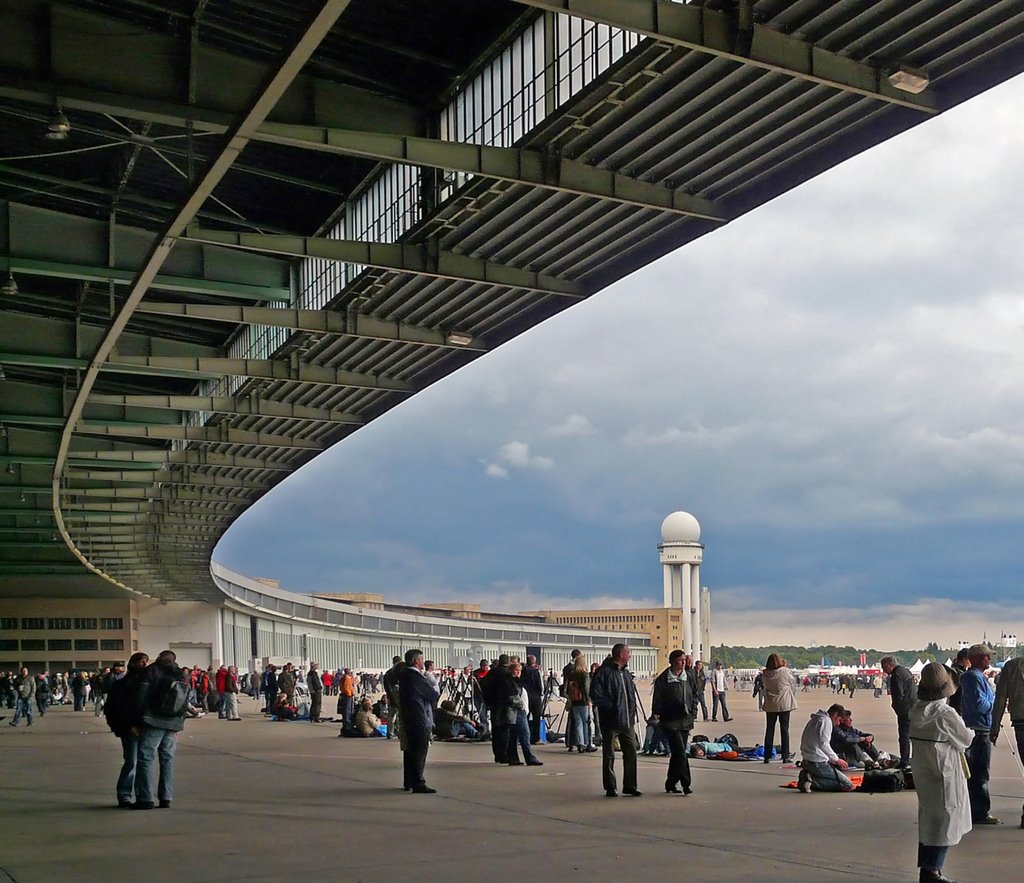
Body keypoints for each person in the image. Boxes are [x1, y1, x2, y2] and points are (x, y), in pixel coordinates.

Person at [910, 662, 975, 883]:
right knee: (946, 819)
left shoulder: (916, 710)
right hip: (944, 771)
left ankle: (926, 868)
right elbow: (965, 739)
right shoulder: (945, 713)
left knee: (929, 819)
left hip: (923, 770)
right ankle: (932, 870)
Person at [134, 649, 189, 809]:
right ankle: (166, 797)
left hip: (153, 720)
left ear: (158, 658)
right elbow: (184, 700)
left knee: (146, 758)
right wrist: (180, 723)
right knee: (167, 759)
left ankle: (146, 798)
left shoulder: (151, 671)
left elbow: (141, 697)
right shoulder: (180, 674)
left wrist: (137, 720)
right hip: (173, 723)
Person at [589, 643, 641, 797]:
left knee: (631, 751)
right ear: (620, 654)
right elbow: (596, 694)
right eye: (628, 652)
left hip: (627, 720)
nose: (630, 655)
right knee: (609, 754)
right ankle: (610, 786)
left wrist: (632, 713)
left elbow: (630, 695)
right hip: (611, 720)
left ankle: (630, 785)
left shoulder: (625, 673)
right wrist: (612, 708)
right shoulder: (604, 672)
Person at [958, 643, 998, 825]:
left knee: (976, 772)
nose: (989, 659)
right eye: (985, 656)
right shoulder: (973, 677)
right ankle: (980, 812)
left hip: (980, 727)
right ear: (975, 658)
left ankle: (975, 809)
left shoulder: (976, 677)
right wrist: (994, 704)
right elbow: (980, 704)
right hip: (979, 729)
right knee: (980, 773)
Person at [104, 652, 149, 808]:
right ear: (133, 663)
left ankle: (141, 795)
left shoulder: (147, 683)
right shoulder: (123, 684)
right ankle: (124, 795)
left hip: (145, 727)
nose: (144, 665)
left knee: (142, 763)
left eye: (146, 662)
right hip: (129, 728)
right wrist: (126, 726)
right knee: (132, 761)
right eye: (141, 662)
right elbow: (115, 707)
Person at [652, 649, 695, 794]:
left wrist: (693, 711)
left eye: (685, 660)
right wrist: (657, 716)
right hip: (670, 721)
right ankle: (686, 784)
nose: (684, 663)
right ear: (673, 661)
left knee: (678, 753)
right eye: (680, 660)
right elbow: (657, 701)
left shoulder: (688, 677)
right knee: (680, 753)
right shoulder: (663, 679)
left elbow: (694, 695)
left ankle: (670, 782)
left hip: (685, 719)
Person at [990, 653, 1024, 828]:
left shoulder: (1011, 667)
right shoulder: (1011, 667)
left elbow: (1001, 698)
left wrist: (995, 726)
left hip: (1020, 722)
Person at [398, 648, 439, 793]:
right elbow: (433, 695)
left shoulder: (404, 676)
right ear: (416, 661)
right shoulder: (415, 677)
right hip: (420, 718)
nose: (423, 662)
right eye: (421, 659)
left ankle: (409, 780)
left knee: (410, 751)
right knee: (419, 752)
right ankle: (418, 782)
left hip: (409, 717)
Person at [796, 703, 853, 793]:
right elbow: (824, 744)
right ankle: (812, 781)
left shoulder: (816, 719)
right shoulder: (826, 721)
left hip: (807, 759)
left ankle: (809, 777)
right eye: (838, 720)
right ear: (835, 715)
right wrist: (836, 760)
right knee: (847, 785)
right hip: (817, 762)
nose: (838, 724)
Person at [761, 653, 797, 763]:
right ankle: (785, 756)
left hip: (770, 704)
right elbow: (792, 681)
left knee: (769, 729)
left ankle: (767, 756)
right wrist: (784, 667)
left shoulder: (765, 674)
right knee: (784, 730)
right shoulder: (784, 671)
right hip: (783, 704)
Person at [881, 656, 916, 770]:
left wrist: (896, 707)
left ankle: (904, 760)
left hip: (905, 709)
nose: (883, 670)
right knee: (913, 736)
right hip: (913, 707)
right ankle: (913, 759)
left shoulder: (896, 676)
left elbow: (898, 695)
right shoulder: (906, 671)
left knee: (904, 737)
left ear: (890, 665)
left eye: (884, 667)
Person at [507, 662, 543, 765]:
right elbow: (512, 697)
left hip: (513, 711)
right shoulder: (511, 682)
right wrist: (521, 705)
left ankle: (513, 758)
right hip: (517, 710)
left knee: (514, 735)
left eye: (519, 671)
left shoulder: (514, 681)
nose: (518, 673)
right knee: (525, 734)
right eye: (516, 671)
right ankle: (529, 758)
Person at [565, 654, 595, 754]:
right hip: (583, 701)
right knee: (586, 722)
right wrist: (589, 701)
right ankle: (587, 743)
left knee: (578, 723)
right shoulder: (584, 674)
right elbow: (586, 689)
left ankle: (579, 744)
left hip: (574, 701)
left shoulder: (572, 674)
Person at [521, 655, 544, 744]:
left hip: (525, 697)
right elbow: (541, 686)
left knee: (525, 718)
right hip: (535, 697)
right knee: (536, 719)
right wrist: (541, 694)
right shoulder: (536, 672)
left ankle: (525, 738)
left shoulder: (523, 672)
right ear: (534, 662)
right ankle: (536, 738)